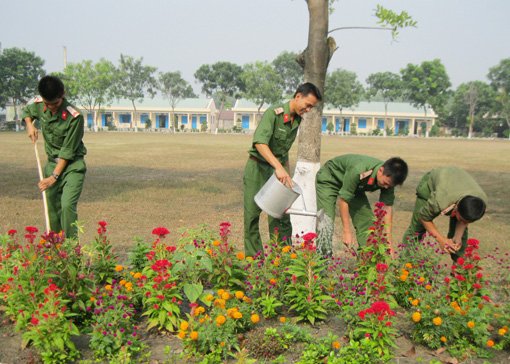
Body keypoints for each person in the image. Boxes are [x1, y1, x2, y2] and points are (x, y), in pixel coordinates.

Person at [243, 82, 322, 257]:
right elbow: (260, 143)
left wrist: (287, 177)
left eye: (311, 108)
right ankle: (254, 263)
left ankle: (281, 260)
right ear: (298, 96)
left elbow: (283, 151)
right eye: (308, 105)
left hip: (276, 171)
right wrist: (278, 168)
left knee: (281, 216)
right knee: (252, 217)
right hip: (257, 169)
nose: (308, 110)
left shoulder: (297, 120)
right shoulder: (274, 113)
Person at [23, 75, 87, 239]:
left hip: (72, 167)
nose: (51, 108)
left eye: (56, 104)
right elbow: (27, 111)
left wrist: (54, 177)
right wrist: (30, 124)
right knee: (51, 207)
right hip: (51, 164)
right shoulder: (39, 105)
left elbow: (67, 151)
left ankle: (71, 251)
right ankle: (55, 248)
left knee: (67, 206)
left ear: (63, 94)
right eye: (47, 104)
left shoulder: (75, 117)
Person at [315, 154, 408, 259]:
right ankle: (321, 265)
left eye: (389, 186)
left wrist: (389, 242)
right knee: (326, 222)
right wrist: (347, 232)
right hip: (331, 179)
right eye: (385, 183)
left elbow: (387, 208)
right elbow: (344, 200)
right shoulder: (359, 170)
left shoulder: (389, 180)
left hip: (355, 187)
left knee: (368, 223)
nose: (386, 187)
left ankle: (365, 266)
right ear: (381, 170)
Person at [402, 166, 487, 262]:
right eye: (463, 220)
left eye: (468, 221)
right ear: (456, 208)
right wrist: (441, 240)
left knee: (460, 237)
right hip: (431, 183)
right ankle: (405, 265)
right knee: (417, 229)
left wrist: (457, 236)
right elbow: (423, 217)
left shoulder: (480, 204)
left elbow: (464, 221)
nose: (464, 222)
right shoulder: (440, 200)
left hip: (456, 184)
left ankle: (459, 269)